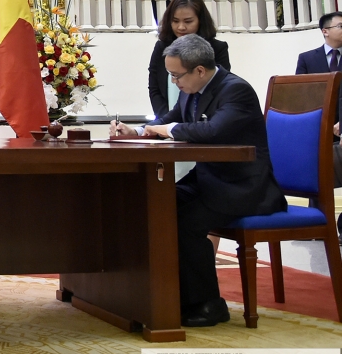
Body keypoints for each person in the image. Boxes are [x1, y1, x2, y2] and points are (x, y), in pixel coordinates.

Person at [111, 34, 286, 327]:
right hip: (208, 179)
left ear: (200, 71)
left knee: (184, 222)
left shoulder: (236, 90)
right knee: (155, 203)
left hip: (241, 187)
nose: (174, 82)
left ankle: (208, 304)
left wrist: (166, 130)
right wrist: (139, 131)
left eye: (177, 76)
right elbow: (169, 119)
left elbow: (213, 131)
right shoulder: (191, 90)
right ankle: (162, 295)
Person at [296, 11, 342, 243]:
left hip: (341, 126)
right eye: (340, 26)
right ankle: (315, 226)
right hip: (317, 126)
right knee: (316, 175)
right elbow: (301, 93)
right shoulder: (307, 58)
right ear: (325, 31)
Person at [148, 0, 230, 118]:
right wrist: (165, 121)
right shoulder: (161, 48)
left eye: (188, 21)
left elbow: (218, 89)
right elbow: (155, 89)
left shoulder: (217, 48)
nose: (181, 27)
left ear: (200, 21)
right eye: (175, 21)